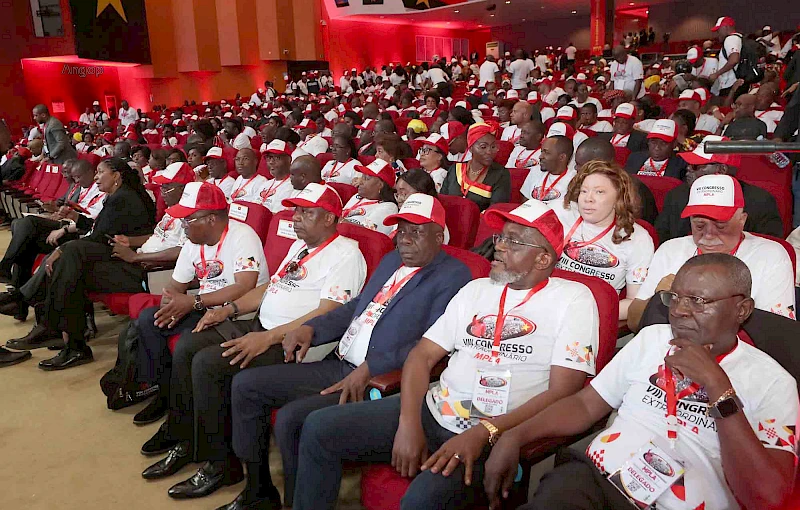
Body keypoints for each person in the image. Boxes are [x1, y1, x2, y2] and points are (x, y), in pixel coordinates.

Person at [291, 199, 600, 510]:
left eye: (514, 242)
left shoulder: (573, 299)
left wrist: (486, 432)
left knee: (421, 501)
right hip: (437, 407)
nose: (499, 248)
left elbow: (565, 389)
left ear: (544, 258)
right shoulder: (476, 290)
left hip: (496, 427)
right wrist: (408, 423)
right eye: (500, 238)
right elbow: (422, 356)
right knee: (318, 428)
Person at [487, 253, 798, 510]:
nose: (678, 311)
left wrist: (718, 387)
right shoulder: (653, 339)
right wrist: (515, 435)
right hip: (595, 483)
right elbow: (585, 404)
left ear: (741, 309)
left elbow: (768, 497)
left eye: (698, 301)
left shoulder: (774, 383)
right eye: (674, 297)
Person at [221, 194, 472, 510]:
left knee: (291, 420)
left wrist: (369, 369)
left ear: (439, 236)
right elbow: (357, 307)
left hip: (377, 379)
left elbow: (426, 346)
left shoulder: (455, 277)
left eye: (417, 231)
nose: (406, 239)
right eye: (402, 230)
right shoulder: (393, 259)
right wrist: (313, 329)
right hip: (338, 360)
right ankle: (258, 490)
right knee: (246, 386)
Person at [139, 183, 367, 500]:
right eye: (297, 210)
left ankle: (223, 465)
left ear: (330, 218)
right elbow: (267, 290)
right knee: (192, 345)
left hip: (299, 345)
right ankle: (190, 440)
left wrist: (267, 337)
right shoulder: (300, 247)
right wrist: (228, 310)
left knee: (209, 365)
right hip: (262, 325)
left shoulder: (347, 255)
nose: (297, 218)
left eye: (307, 212)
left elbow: (327, 315)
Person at [132, 182, 270, 424]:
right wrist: (171, 301)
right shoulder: (192, 242)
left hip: (238, 315)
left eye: (188, 219)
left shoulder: (243, 236)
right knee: (149, 320)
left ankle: (181, 419)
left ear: (212, 219)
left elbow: (244, 286)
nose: (182, 225)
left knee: (187, 344)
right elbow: (176, 287)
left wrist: (193, 301)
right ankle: (163, 393)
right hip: (204, 307)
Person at [627, 174, 795, 331]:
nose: (708, 234)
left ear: (742, 220)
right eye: (699, 225)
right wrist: (658, 300)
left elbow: (776, 335)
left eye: (721, 226)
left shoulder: (771, 256)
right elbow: (634, 323)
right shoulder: (670, 250)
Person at [32, 158, 156, 369]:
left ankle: (64, 337)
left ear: (116, 175)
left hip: (135, 268)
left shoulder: (124, 198)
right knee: (69, 269)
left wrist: (61, 249)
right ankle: (69, 341)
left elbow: (101, 238)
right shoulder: (116, 196)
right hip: (117, 260)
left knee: (70, 256)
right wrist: (75, 218)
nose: (96, 177)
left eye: (100, 172)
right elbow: (100, 231)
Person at [551, 161, 654, 319]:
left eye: (599, 192)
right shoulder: (561, 212)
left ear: (618, 198)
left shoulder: (637, 238)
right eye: (584, 191)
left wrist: (585, 314)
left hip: (593, 315)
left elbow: (634, 302)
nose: (588, 199)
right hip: (549, 302)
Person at [656, 135, 783, 242]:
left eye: (696, 166)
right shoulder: (676, 195)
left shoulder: (760, 202)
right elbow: (661, 239)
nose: (688, 169)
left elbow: (767, 249)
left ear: (722, 170)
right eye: (688, 165)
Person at [575, 137, 659, 226]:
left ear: (600, 164)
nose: (576, 168)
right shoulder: (581, 182)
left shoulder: (632, 191)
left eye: (580, 165)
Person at [440, 123, 511, 211]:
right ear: (470, 148)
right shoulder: (455, 169)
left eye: (493, 147)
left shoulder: (500, 174)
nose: (489, 151)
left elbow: (495, 210)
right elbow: (442, 200)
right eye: (483, 147)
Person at [341, 159, 398, 235]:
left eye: (366, 178)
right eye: (362, 177)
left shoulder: (389, 207)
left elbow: (367, 233)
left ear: (380, 185)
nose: (360, 181)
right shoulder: (356, 197)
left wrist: (338, 221)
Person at [624, 119, 688, 179]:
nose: (657, 147)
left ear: (674, 144)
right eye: (653, 142)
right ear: (648, 142)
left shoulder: (681, 165)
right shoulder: (635, 158)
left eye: (663, 143)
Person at [520, 135, 575, 203]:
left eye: (546, 152)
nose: (540, 156)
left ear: (562, 157)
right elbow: (525, 203)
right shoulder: (535, 171)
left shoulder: (574, 180)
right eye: (541, 152)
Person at [708, 17, 743, 98]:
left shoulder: (730, 39)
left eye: (718, 30)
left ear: (726, 27)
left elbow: (734, 60)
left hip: (730, 84)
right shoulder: (739, 37)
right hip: (736, 82)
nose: (717, 33)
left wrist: (717, 74)